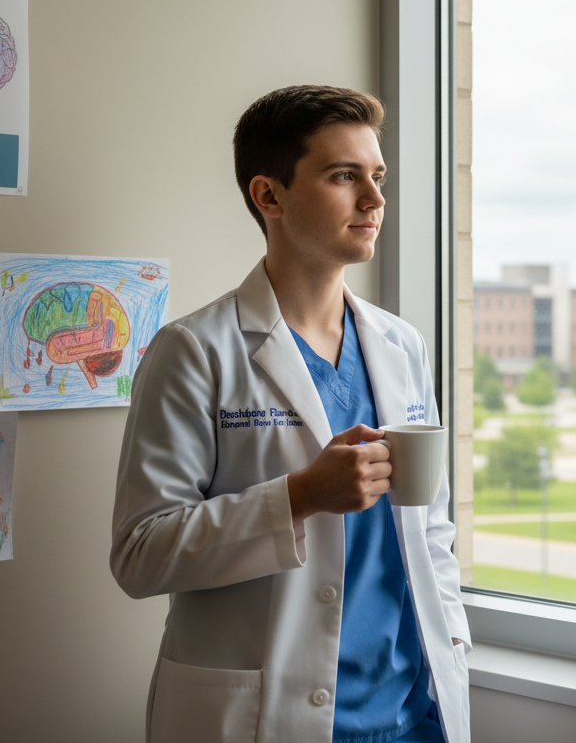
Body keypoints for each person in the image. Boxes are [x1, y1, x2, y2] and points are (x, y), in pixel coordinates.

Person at [110, 85, 469, 743]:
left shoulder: (401, 345)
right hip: (266, 716)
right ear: (269, 196)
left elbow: (432, 535)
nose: (374, 199)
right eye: (344, 176)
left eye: (378, 176)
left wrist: (451, 639)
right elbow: (140, 555)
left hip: (412, 716)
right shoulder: (194, 351)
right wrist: (300, 496)